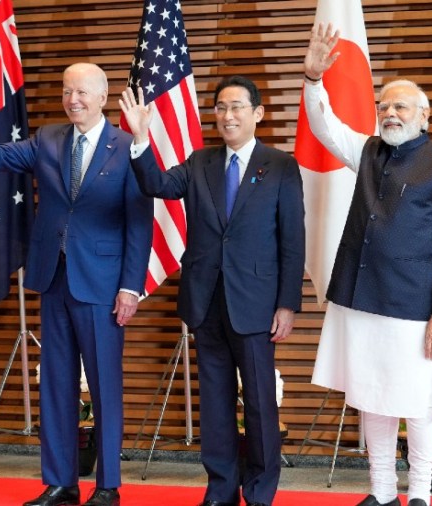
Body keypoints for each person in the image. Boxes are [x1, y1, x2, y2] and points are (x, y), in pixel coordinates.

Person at [0, 63, 153, 506]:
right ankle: (61, 482)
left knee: (104, 386)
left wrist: (131, 286)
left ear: (103, 97)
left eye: (82, 92)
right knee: (56, 383)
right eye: (68, 91)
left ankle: (107, 486)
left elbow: (140, 225)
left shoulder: (129, 146)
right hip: (53, 277)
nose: (73, 100)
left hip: (104, 285)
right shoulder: (47, 139)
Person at [302, 24, 432, 506]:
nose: (390, 113)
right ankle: (381, 493)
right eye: (384, 106)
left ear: (424, 115)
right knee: (370, 396)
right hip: (360, 300)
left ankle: (420, 495)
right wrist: (313, 81)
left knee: (416, 404)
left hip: (414, 307)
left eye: (401, 106)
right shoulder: (368, 149)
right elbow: (324, 126)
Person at [119, 75, 305, 506]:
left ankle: (259, 490)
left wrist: (287, 304)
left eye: (238, 106)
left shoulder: (280, 165)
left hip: (257, 303)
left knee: (259, 403)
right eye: (221, 107)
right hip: (206, 300)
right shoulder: (199, 161)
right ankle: (220, 489)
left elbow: (292, 241)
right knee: (215, 403)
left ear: (258, 113)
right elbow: (157, 186)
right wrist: (140, 138)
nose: (228, 115)